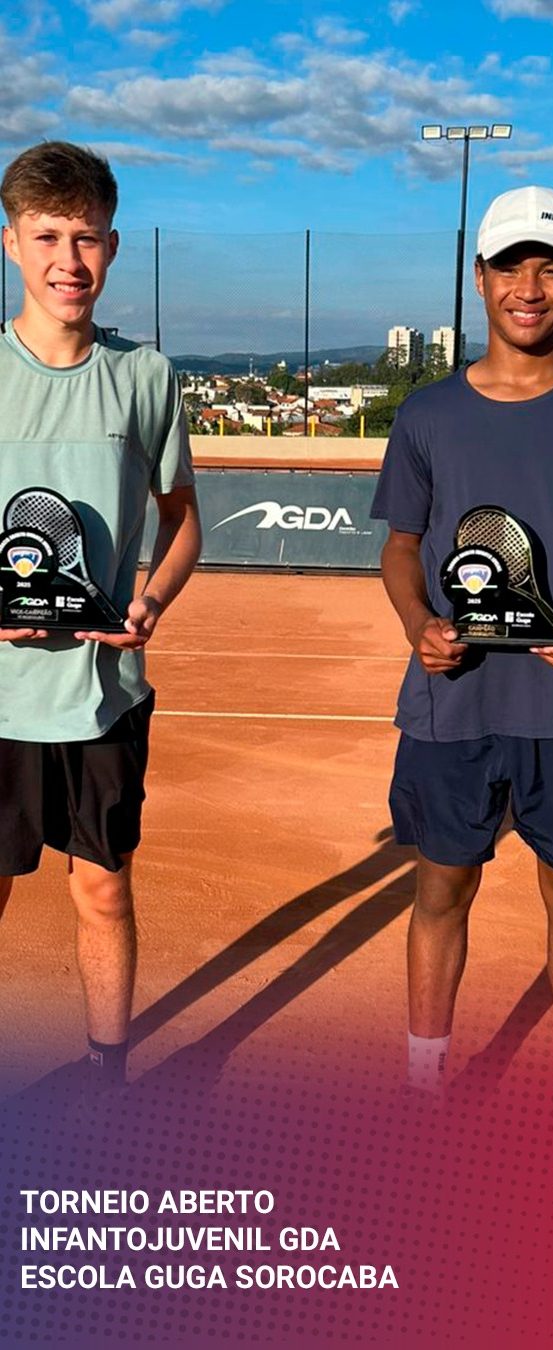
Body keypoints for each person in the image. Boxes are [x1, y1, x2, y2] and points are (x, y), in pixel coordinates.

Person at [0, 141, 201, 1104]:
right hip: (1, 700)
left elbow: (182, 518)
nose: (67, 261)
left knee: (104, 890)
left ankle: (106, 1079)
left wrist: (152, 599)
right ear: (11, 243)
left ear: (113, 247)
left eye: (85, 238)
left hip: (103, 695)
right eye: (46, 237)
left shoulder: (146, 375)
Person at [371, 184, 553, 1105]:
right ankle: (425, 1091)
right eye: (510, 267)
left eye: (549, 267)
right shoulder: (426, 414)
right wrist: (416, 621)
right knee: (439, 894)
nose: (528, 287)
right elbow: (401, 546)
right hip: (452, 705)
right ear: (479, 277)